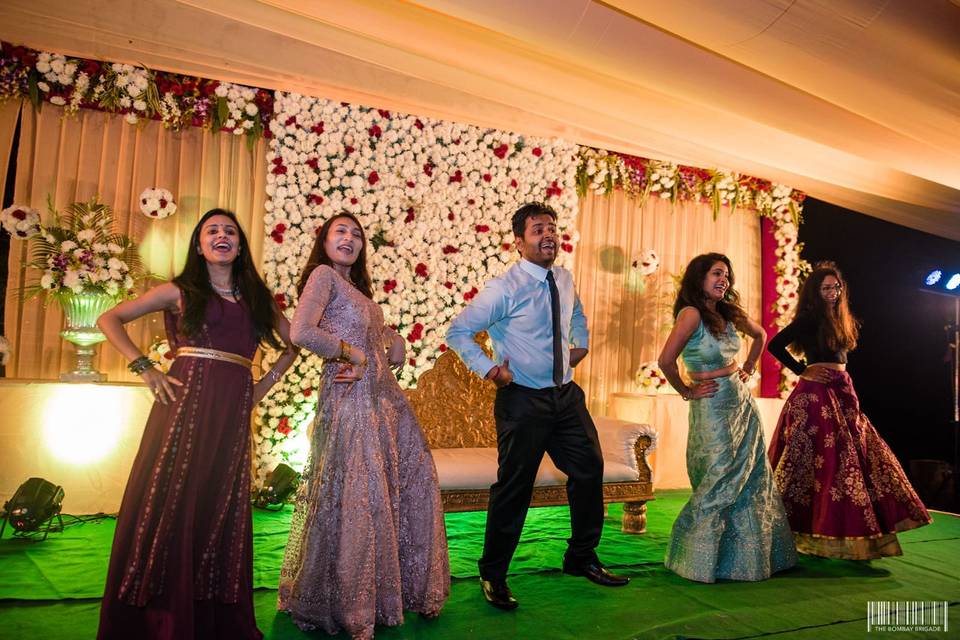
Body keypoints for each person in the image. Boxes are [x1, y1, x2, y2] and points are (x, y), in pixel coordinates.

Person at [96, 208, 296, 640]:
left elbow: (295, 342)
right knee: (172, 500)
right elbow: (108, 319)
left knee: (220, 503)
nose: (222, 236)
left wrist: (263, 386)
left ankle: (209, 613)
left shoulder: (257, 298)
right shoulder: (180, 290)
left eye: (230, 231)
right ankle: (159, 615)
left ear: (240, 246)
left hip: (231, 412)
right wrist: (145, 367)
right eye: (212, 231)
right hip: (183, 407)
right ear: (199, 245)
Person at [446, 202, 629, 612]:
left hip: (566, 397)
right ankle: (493, 573)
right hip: (523, 400)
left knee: (589, 468)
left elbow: (576, 313)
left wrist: (578, 344)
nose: (548, 234)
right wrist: (490, 370)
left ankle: (581, 557)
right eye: (537, 229)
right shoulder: (503, 288)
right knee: (514, 488)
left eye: (552, 227)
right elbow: (458, 331)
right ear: (518, 242)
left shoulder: (563, 278)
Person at [277, 212, 449, 639]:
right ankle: (353, 602)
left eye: (356, 234)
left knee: (412, 476)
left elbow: (380, 335)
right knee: (360, 496)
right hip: (351, 400)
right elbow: (301, 331)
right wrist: (350, 354)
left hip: (383, 399)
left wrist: (396, 341)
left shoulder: (356, 291)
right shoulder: (323, 276)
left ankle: (397, 589)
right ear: (324, 240)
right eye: (341, 231)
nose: (349, 239)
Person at [767, 262, 931, 559]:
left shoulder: (842, 318)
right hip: (817, 394)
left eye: (836, 287)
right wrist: (803, 371)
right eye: (826, 287)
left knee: (858, 456)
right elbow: (775, 346)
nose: (832, 292)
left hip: (843, 389)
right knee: (826, 462)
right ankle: (810, 533)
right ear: (815, 292)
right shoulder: (809, 317)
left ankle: (852, 533)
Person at [658, 252, 797, 583]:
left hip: (741, 402)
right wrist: (687, 390)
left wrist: (749, 366)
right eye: (717, 274)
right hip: (711, 406)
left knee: (752, 477)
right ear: (699, 278)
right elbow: (665, 361)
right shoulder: (691, 314)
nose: (724, 280)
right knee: (719, 476)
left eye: (727, 276)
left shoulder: (728, 313)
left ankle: (743, 559)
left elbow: (762, 335)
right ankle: (696, 558)